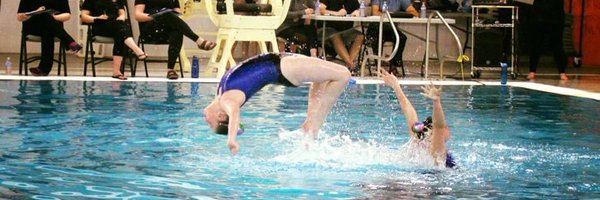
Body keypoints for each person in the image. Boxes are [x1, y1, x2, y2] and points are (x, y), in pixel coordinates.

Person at [203, 53, 351, 154]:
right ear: (221, 116)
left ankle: (310, 124)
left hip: (283, 62)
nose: (206, 121)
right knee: (344, 75)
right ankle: (314, 126)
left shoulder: (221, 93)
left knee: (322, 78)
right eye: (211, 124)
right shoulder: (227, 101)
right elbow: (235, 114)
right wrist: (231, 140)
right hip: (284, 67)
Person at [379, 68, 456, 168]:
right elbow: (439, 127)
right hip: (434, 181)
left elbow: (408, 110)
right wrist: (436, 102)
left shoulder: (418, 137)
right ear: (432, 132)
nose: (447, 129)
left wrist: (396, 86)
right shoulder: (436, 149)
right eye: (447, 127)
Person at [134, 0, 217, 79]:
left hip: (166, 31)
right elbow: (137, 16)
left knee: (176, 30)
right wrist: (157, 16)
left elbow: (178, 13)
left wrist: (172, 14)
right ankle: (199, 41)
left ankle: (170, 69)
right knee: (166, 15)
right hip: (150, 31)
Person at [81, 0, 147, 80]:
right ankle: (136, 50)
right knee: (121, 30)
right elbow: (83, 16)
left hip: (116, 26)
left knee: (120, 29)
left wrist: (121, 17)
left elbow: (122, 13)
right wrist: (96, 18)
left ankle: (117, 72)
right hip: (100, 25)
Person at [17, 0, 83, 76]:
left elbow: (67, 15)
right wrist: (36, 12)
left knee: (47, 25)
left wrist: (53, 17)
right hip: (33, 26)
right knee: (45, 17)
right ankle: (70, 42)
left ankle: (42, 69)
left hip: (53, 26)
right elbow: (19, 17)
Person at [367, 0, 418, 77]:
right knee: (377, 39)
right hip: (375, 28)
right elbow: (375, 12)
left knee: (401, 38)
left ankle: (394, 65)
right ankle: (378, 65)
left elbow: (415, 13)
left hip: (391, 29)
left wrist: (399, 14)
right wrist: (391, 15)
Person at [527, 0, 569, 81]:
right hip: (539, 15)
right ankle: (532, 71)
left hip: (556, 17)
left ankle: (562, 72)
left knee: (557, 45)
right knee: (536, 43)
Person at [318, 0, 365, 72]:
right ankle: (350, 66)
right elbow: (320, 10)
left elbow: (359, 9)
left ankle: (348, 65)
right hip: (327, 29)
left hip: (345, 31)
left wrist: (357, 12)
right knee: (335, 35)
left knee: (359, 36)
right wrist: (336, 13)